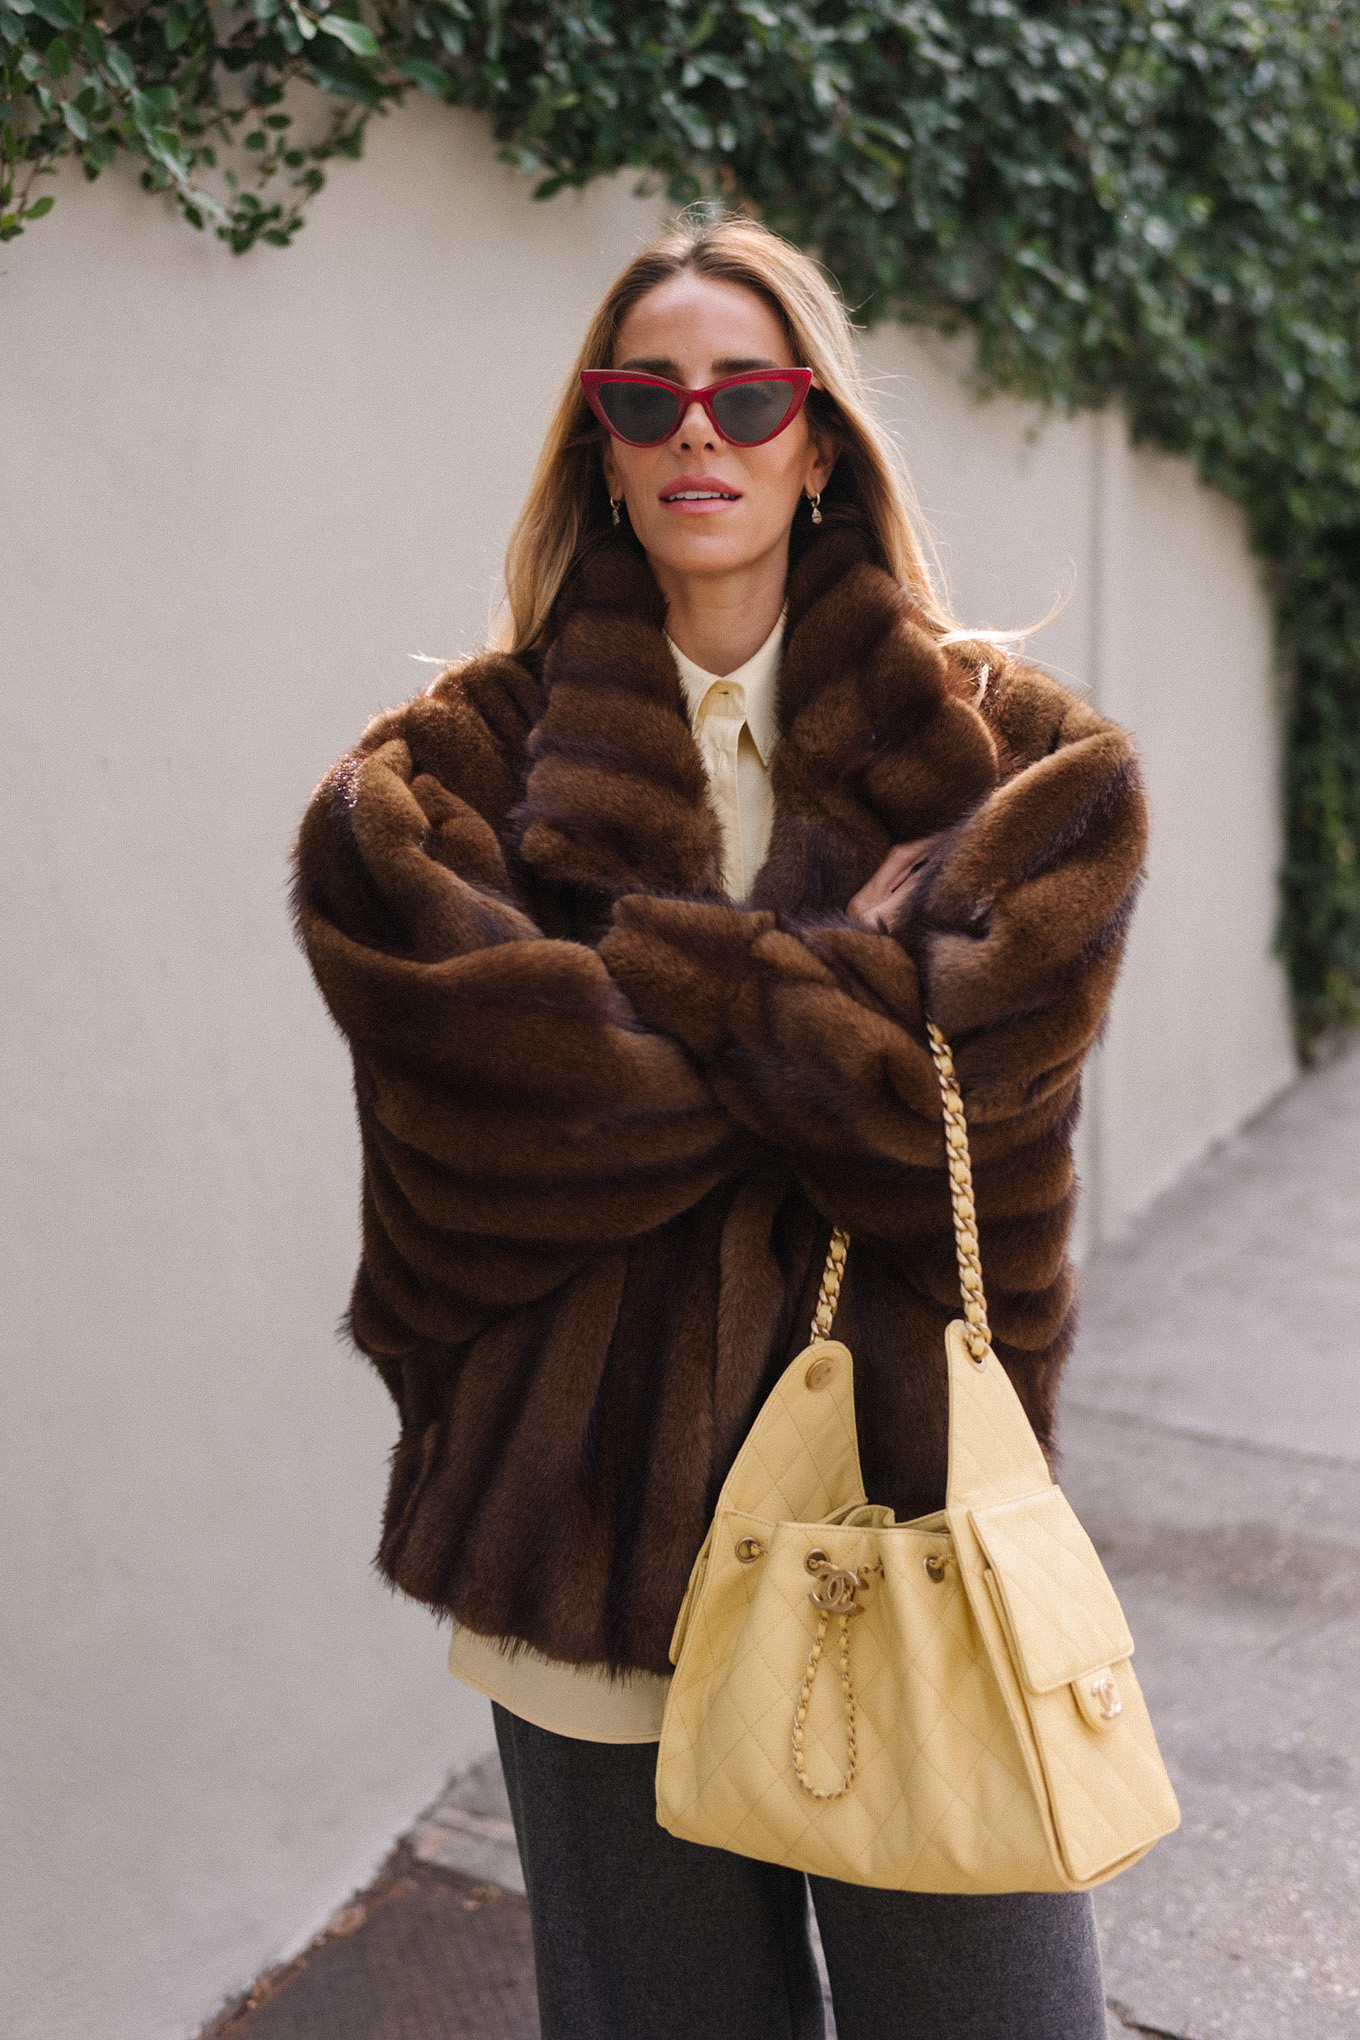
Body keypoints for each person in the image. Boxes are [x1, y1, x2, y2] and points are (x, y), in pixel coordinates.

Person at [294, 212, 1146, 2040]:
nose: (700, 430)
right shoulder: (442, 775)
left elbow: (983, 1133)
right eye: (647, 395)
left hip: (909, 1533)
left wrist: (638, 999)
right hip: (586, 1557)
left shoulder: (1016, 758)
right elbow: (483, 1144)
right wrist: (841, 988)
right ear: (599, 448)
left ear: (816, 438)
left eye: (749, 394)